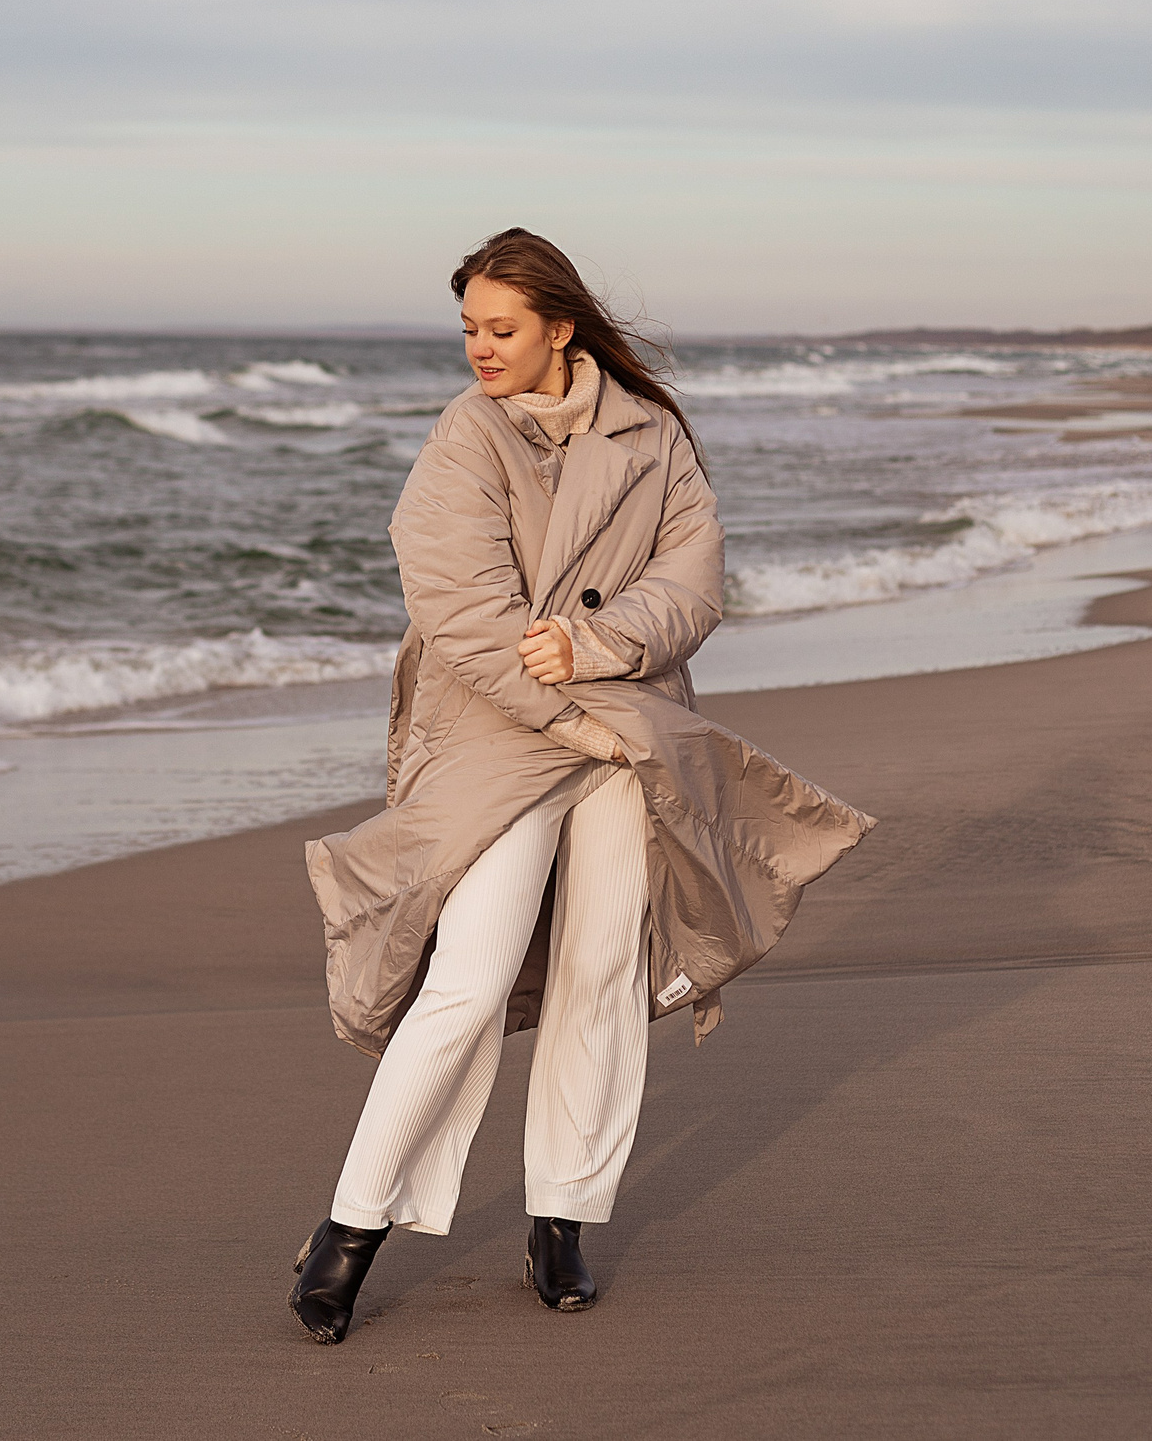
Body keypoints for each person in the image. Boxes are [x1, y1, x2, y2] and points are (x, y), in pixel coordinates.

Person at [290, 228, 874, 1345]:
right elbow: (462, 619)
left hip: (625, 720)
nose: (478, 349)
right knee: (467, 976)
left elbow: (692, 582)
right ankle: (348, 1229)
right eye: (467, 328)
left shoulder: (652, 435)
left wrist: (598, 649)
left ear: (560, 326)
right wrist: (571, 712)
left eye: (499, 328)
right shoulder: (463, 440)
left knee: (602, 971)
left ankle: (560, 1217)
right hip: (501, 736)